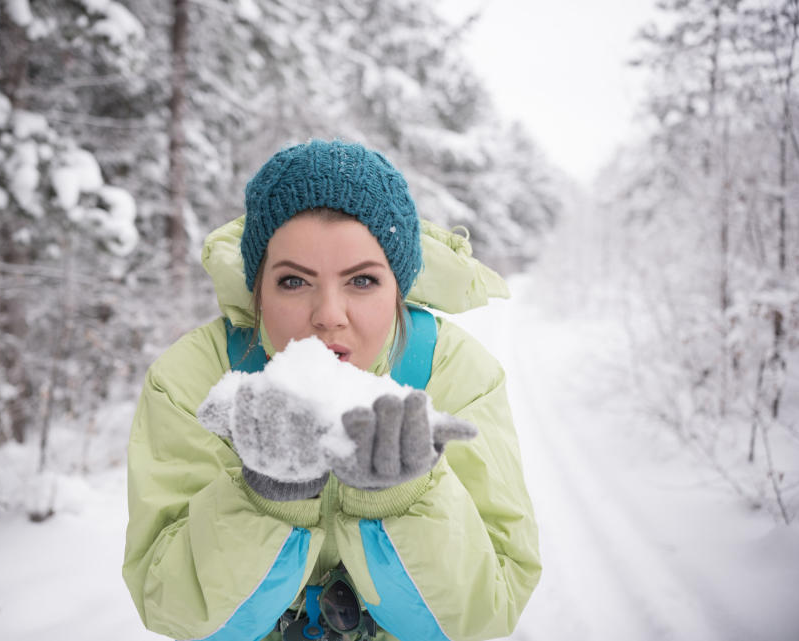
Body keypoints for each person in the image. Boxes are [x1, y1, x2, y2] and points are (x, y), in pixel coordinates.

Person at [122, 139, 541, 641]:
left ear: (398, 288)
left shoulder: (456, 375)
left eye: (361, 281)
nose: (328, 315)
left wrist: (400, 499)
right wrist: (269, 499)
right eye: (294, 282)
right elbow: (173, 607)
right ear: (258, 289)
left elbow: (484, 613)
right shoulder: (191, 379)